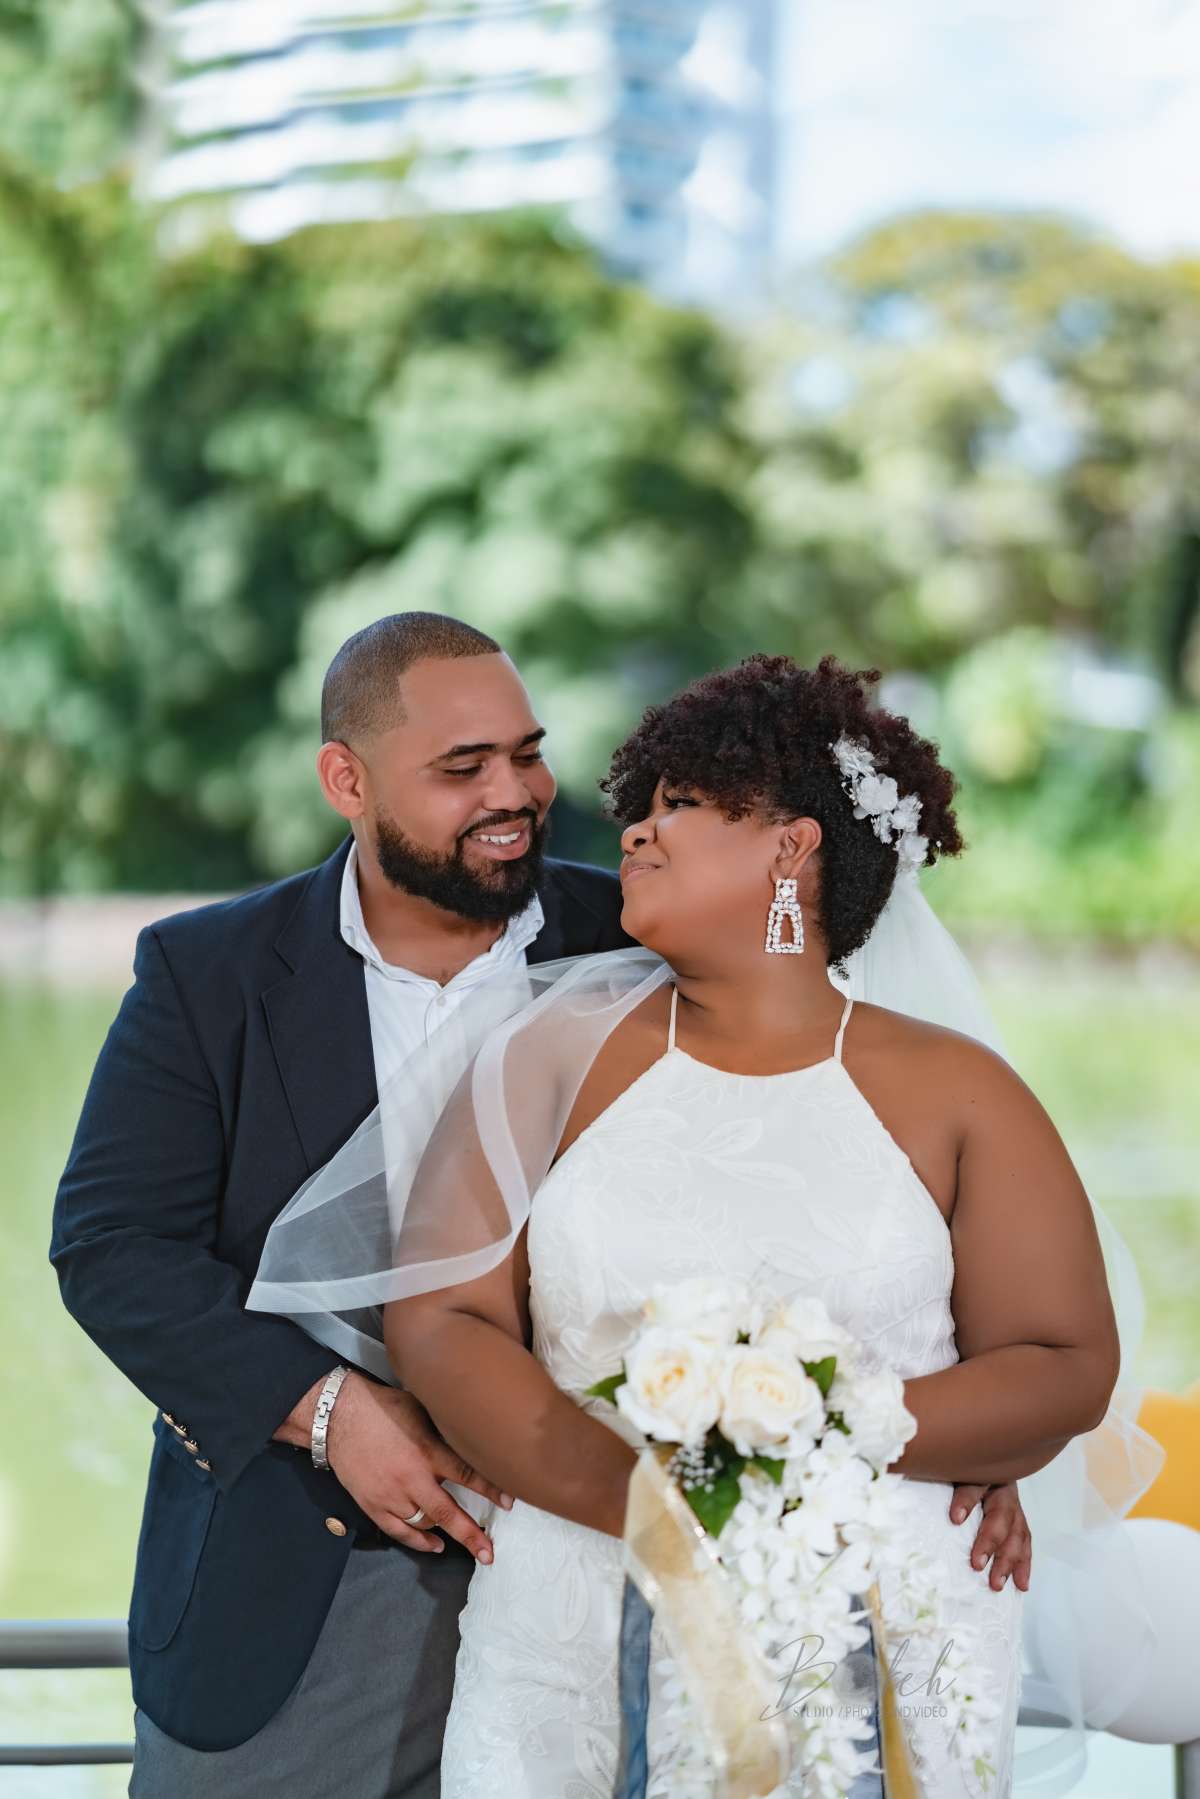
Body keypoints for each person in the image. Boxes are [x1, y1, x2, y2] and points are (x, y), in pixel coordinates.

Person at [249, 653, 1108, 1797]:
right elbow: (444, 1318)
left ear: (792, 847)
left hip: (877, 1605)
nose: (638, 833)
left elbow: (1059, 1360)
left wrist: (823, 1430)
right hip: (571, 1594)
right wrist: (656, 1506)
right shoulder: (537, 1057)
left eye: (682, 806)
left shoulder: (964, 1092)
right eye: (642, 806)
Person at [49, 612, 637, 1796]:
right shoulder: (205, 972)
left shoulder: (640, 938)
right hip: (300, 1582)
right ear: (347, 780)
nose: (514, 792)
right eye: (462, 768)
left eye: (525, 752)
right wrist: (323, 1410)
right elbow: (111, 1246)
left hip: (601, 1570)